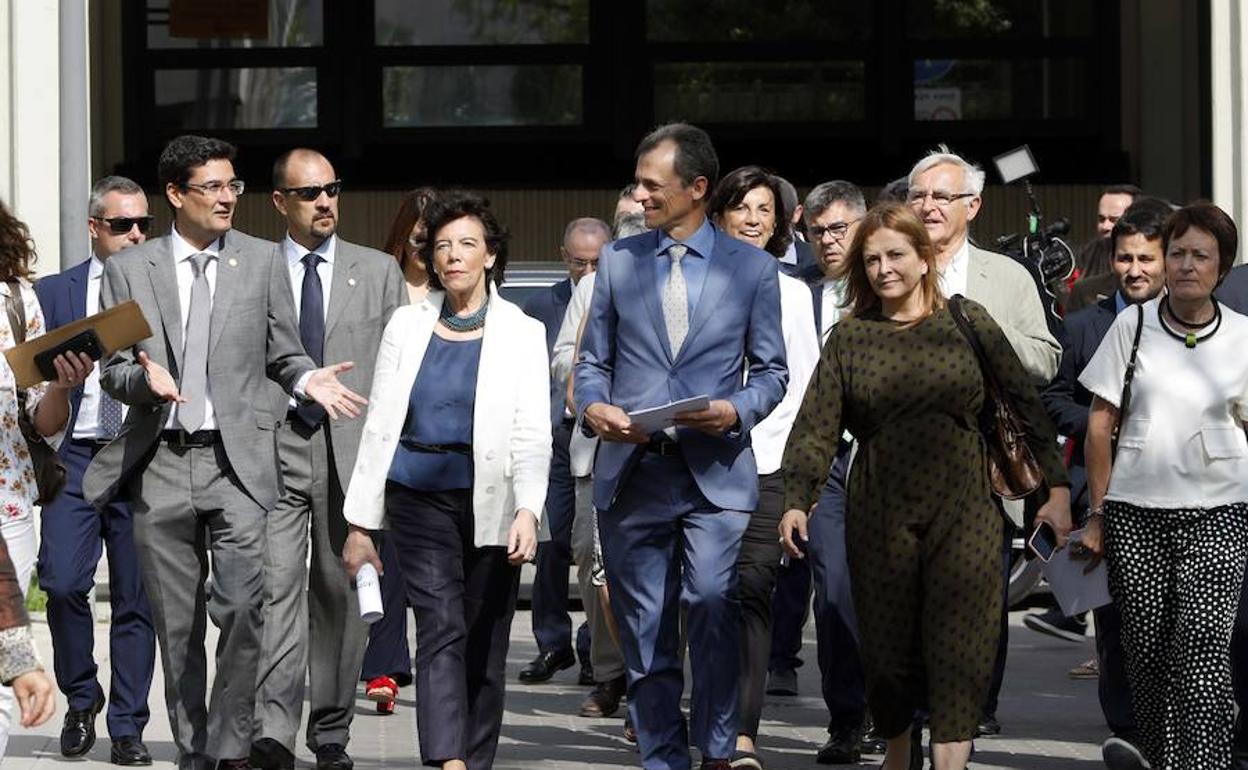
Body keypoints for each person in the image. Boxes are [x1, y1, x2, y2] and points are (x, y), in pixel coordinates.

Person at [82, 135, 366, 770]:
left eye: (232, 185)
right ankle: (194, 749)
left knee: (245, 607)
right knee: (176, 626)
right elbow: (115, 371)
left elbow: (284, 352)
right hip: (161, 462)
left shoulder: (263, 262)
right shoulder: (132, 269)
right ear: (177, 195)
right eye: (211, 187)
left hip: (240, 465)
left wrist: (306, 379)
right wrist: (142, 381)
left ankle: (232, 743)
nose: (226, 198)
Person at [780, 202, 1071, 770]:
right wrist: (798, 499)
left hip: (964, 509)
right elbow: (815, 426)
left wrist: (1056, 491)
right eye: (872, 259)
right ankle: (896, 751)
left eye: (895, 255)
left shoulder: (968, 320)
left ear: (923, 258)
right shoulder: (850, 337)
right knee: (887, 655)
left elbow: (1025, 407)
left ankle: (949, 763)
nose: (884, 268)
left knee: (958, 648)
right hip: (880, 512)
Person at [575, 123, 788, 770]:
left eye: (651, 185)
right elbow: (591, 363)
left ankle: (719, 748)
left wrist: (735, 410)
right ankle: (663, 757)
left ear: (698, 188)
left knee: (712, 606)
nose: (639, 196)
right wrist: (595, 407)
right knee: (645, 633)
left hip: (714, 474)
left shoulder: (752, 267)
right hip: (633, 473)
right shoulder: (617, 262)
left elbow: (774, 372)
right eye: (637, 184)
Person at [341, 191, 551, 770]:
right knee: (440, 624)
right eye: (442, 247)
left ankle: (472, 759)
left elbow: (534, 432)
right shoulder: (406, 325)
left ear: (489, 256)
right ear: (431, 260)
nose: (453, 256)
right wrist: (360, 524)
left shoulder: (522, 331)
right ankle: (445, 760)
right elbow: (380, 424)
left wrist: (529, 510)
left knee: (485, 639)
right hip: (417, 495)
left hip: (493, 501)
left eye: (467, 245)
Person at [252, 149, 406, 770]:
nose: (324, 202)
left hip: (351, 454)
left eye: (332, 189)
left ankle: (332, 732)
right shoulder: (253, 269)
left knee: (339, 601)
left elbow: (397, 376)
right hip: (272, 449)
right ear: (280, 202)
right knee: (274, 593)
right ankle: (271, 732)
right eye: (310, 192)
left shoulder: (377, 272)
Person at [1080, 201, 1248, 770]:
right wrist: (1099, 513)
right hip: (1136, 512)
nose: (1185, 265)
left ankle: (1206, 762)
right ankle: (1159, 755)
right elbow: (1099, 424)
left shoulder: (1243, 337)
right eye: (1177, 253)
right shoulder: (1134, 323)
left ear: (1222, 268)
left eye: (1201, 255)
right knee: (1147, 652)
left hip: (1219, 510)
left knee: (1201, 645)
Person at [907, 147, 1062, 738]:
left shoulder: (1008, 275)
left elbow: (1047, 360)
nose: (928, 207)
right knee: (904, 595)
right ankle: (906, 708)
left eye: (942, 197)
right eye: (919, 196)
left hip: (986, 463)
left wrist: (985, 334)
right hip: (903, 462)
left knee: (978, 595)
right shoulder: (889, 264)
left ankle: (976, 707)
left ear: (972, 206)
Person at [1035, 200, 1170, 768]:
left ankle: (1171, 729)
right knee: (1116, 626)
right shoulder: (1084, 323)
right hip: (1106, 496)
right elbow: (1053, 398)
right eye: (1123, 257)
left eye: (1146, 258)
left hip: (1174, 493)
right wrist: (1100, 423)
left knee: (1174, 625)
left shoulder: (1190, 324)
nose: (1134, 269)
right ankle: (1128, 733)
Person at [34, 175, 157, 766]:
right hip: (75, 454)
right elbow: (31, 399)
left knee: (137, 598)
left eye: (143, 225)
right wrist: (61, 386)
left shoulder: (164, 286)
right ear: (93, 228)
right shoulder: (52, 293)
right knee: (60, 582)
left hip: (142, 456)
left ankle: (128, 725)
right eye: (121, 225)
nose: (135, 235)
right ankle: (81, 699)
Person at [704, 165, 818, 770]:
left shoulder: (795, 291)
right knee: (699, 595)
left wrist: (803, 475)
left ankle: (741, 734)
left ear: (778, 224)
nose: (753, 218)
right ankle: (690, 713)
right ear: (719, 214)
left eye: (765, 210)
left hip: (767, 463)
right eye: (742, 207)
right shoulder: (692, 278)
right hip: (694, 462)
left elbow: (805, 387)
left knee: (752, 591)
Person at [769, 180, 881, 764]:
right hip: (824, 461)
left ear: (864, 225)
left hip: (888, 455)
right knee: (833, 590)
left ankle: (899, 715)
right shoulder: (793, 290)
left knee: (893, 591)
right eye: (816, 232)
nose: (828, 241)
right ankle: (846, 719)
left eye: (839, 229)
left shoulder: (892, 284)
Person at [0, 198, 93, 757]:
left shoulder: (17, 301)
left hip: (8, 502)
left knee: (4, 644)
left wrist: (61, 386)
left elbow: (42, 419)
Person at [358, 186, 441, 714]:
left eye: (429, 239)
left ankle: (431, 668)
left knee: (428, 563)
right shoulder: (377, 284)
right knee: (382, 551)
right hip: (382, 432)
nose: (421, 245)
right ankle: (384, 665)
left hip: (437, 439)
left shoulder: (453, 292)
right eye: (414, 235)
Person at [518, 217, 609, 687]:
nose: (588, 270)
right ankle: (552, 643)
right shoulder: (539, 305)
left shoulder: (614, 295)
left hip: (595, 437)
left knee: (593, 547)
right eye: (579, 262)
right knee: (550, 546)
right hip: (550, 436)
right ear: (563, 256)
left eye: (597, 261)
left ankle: (595, 649)